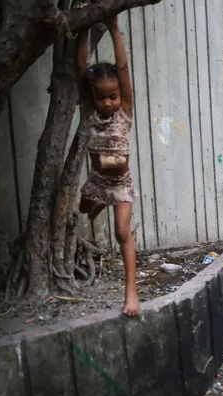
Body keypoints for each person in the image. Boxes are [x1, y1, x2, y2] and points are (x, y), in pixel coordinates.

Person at [76, 5, 139, 316]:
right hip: (98, 180)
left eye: (113, 96)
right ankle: (97, 203)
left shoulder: (124, 111)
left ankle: (131, 294)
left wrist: (114, 28)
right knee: (84, 210)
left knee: (122, 232)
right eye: (102, 97)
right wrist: (85, 25)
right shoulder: (89, 111)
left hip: (120, 181)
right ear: (92, 96)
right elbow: (80, 68)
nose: (108, 102)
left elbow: (123, 69)